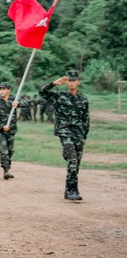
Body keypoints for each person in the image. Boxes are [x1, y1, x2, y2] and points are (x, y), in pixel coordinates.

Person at [39, 70, 89, 201]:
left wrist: (84, 136)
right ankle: (74, 190)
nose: (71, 83)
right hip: (64, 132)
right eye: (69, 80)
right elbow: (42, 92)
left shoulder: (83, 99)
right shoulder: (60, 96)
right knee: (72, 160)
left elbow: (86, 118)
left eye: (74, 80)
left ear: (78, 82)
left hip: (78, 134)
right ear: (66, 82)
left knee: (76, 164)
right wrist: (53, 83)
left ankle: (68, 191)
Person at [0, 82, 25, 180]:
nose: (1, 91)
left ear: (9, 90)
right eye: (0, 89)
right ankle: (5, 170)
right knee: (3, 150)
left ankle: (8, 168)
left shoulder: (14, 99)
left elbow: (26, 104)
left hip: (12, 129)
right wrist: (2, 127)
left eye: (4, 89)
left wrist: (18, 103)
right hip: (1, 131)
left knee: (10, 150)